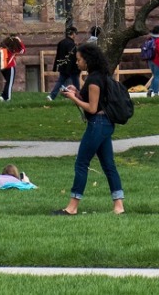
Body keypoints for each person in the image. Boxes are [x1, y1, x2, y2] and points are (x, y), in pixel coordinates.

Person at [57, 44, 125, 215]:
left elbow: (92, 108)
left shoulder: (94, 80)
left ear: (87, 60)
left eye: (79, 59)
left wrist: (73, 98)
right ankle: (119, 206)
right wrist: (78, 93)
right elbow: (94, 100)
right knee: (109, 165)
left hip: (98, 124)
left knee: (81, 163)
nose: (77, 63)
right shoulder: (99, 76)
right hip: (105, 124)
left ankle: (72, 207)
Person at [48, 27, 81, 101]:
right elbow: (72, 57)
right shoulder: (71, 44)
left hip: (63, 67)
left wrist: (56, 66)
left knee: (60, 82)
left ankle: (52, 96)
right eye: (75, 34)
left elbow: (58, 55)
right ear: (72, 34)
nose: (75, 35)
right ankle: (79, 97)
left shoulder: (61, 42)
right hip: (72, 68)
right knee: (76, 84)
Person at [0, 34, 26, 102]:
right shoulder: (13, 49)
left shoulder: (2, 48)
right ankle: (7, 97)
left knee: (8, 82)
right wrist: (20, 41)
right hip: (10, 67)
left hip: (2, 67)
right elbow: (23, 50)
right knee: (10, 83)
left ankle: (3, 95)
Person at [144, 26, 159, 97]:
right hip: (157, 60)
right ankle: (156, 93)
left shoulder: (149, 39)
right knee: (158, 76)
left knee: (154, 76)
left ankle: (151, 89)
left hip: (150, 60)